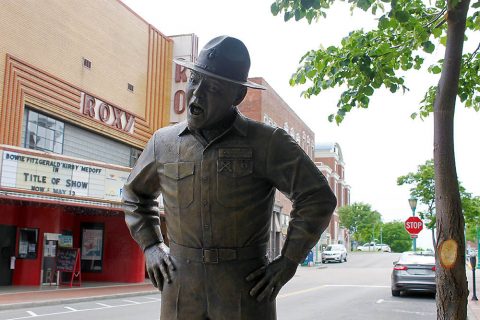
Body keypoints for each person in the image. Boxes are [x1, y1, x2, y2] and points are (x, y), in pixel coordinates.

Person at [122, 35, 336, 320]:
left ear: (237, 96)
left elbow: (318, 198)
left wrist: (288, 261)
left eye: (212, 88)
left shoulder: (267, 142)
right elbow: (135, 194)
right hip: (181, 286)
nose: (196, 95)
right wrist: (150, 245)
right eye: (195, 80)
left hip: (245, 289)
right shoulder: (163, 142)